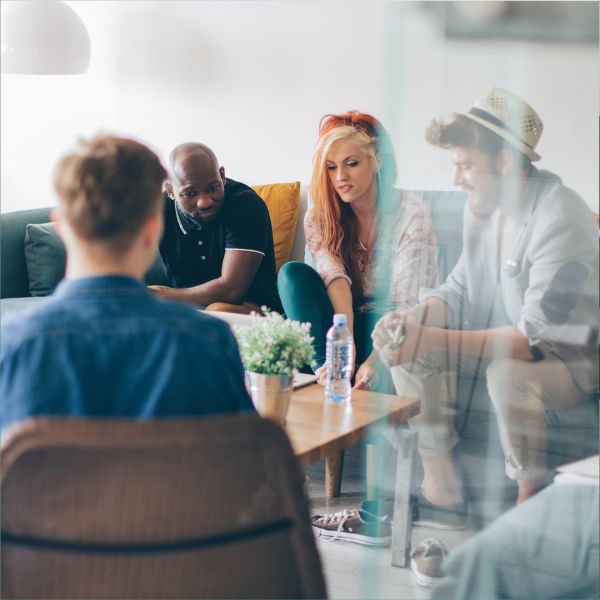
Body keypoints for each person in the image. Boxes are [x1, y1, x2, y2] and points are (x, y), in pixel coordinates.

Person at [311, 87, 598, 544]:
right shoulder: (485, 209)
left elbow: (535, 340)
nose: (457, 178)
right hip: (509, 345)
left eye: (464, 165)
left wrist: (432, 337)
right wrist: (415, 319)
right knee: (404, 347)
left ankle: (527, 513)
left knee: (508, 374)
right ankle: (442, 493)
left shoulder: (561, 217)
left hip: (569, 362)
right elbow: (459, 289)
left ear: (503, 162)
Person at [1, 135, 255, 432]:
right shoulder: (211, 341)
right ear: (153, 228)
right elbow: (248, 453)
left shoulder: (12, 346)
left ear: (62, 227)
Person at [277, 111, 438, 387]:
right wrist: (343, 346)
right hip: (343, 320)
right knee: (292, 275)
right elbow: (335, 280)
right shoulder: (320, 217)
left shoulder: (412, 214)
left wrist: (376, 361)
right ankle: (329, 372)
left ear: (377, 161)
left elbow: (407, 304)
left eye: (351, 163)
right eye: (331, 167)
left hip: (393, 326)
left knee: (294, 337)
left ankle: (339, 375)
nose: (341, 177)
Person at [151, 142, 282, 314]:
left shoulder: (245, 205)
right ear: (171, 191)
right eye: (191, 193)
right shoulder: (157, 210)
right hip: (187, 309)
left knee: (218, 310)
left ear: (222, 175)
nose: (205, 202)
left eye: (212, 188)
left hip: (254, 310)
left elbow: (232, 291)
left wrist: (161, 297)